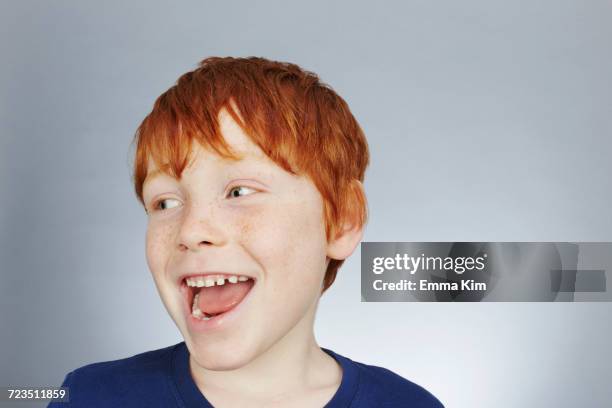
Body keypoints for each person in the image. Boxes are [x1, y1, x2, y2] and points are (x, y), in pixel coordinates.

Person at [49, 56, 443, 407]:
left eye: (239, 191)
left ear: (341, 220)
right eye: (165, 202)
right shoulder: (88, 396)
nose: (192, 230)